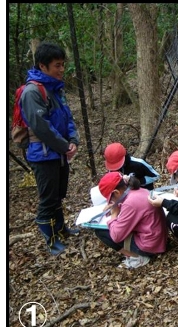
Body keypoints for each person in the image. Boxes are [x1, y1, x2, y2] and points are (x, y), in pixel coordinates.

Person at [20, 42, 80, 255]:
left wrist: (73, 140)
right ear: (42, 66)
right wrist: (64, 146)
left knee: (58, 194)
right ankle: (51, 239)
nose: (62, 69)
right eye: (57, 65)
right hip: (43, 155)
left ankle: (61, 229)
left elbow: (67, 117)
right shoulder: (32, 92)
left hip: (59, 152)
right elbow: (41, 127)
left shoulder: (56, 89)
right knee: (48, 198)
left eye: (63, 64)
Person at [92, 172, 167, 269]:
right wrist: (116, 206)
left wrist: (114, 215)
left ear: (116, 192)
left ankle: (138, 257)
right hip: (157, 239)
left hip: (150, 246)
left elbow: (116, 236)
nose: (111, 201)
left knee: (101, 232)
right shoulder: (139, 190)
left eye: (111, 199)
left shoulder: (130, 203)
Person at [90, 142, 161, 205]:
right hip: (124, 199)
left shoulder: (138, 163)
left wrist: (138, 181)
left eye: (117, 165)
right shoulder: (111, 170)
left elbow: (156, 176)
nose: (115, 168)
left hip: (145, 196)